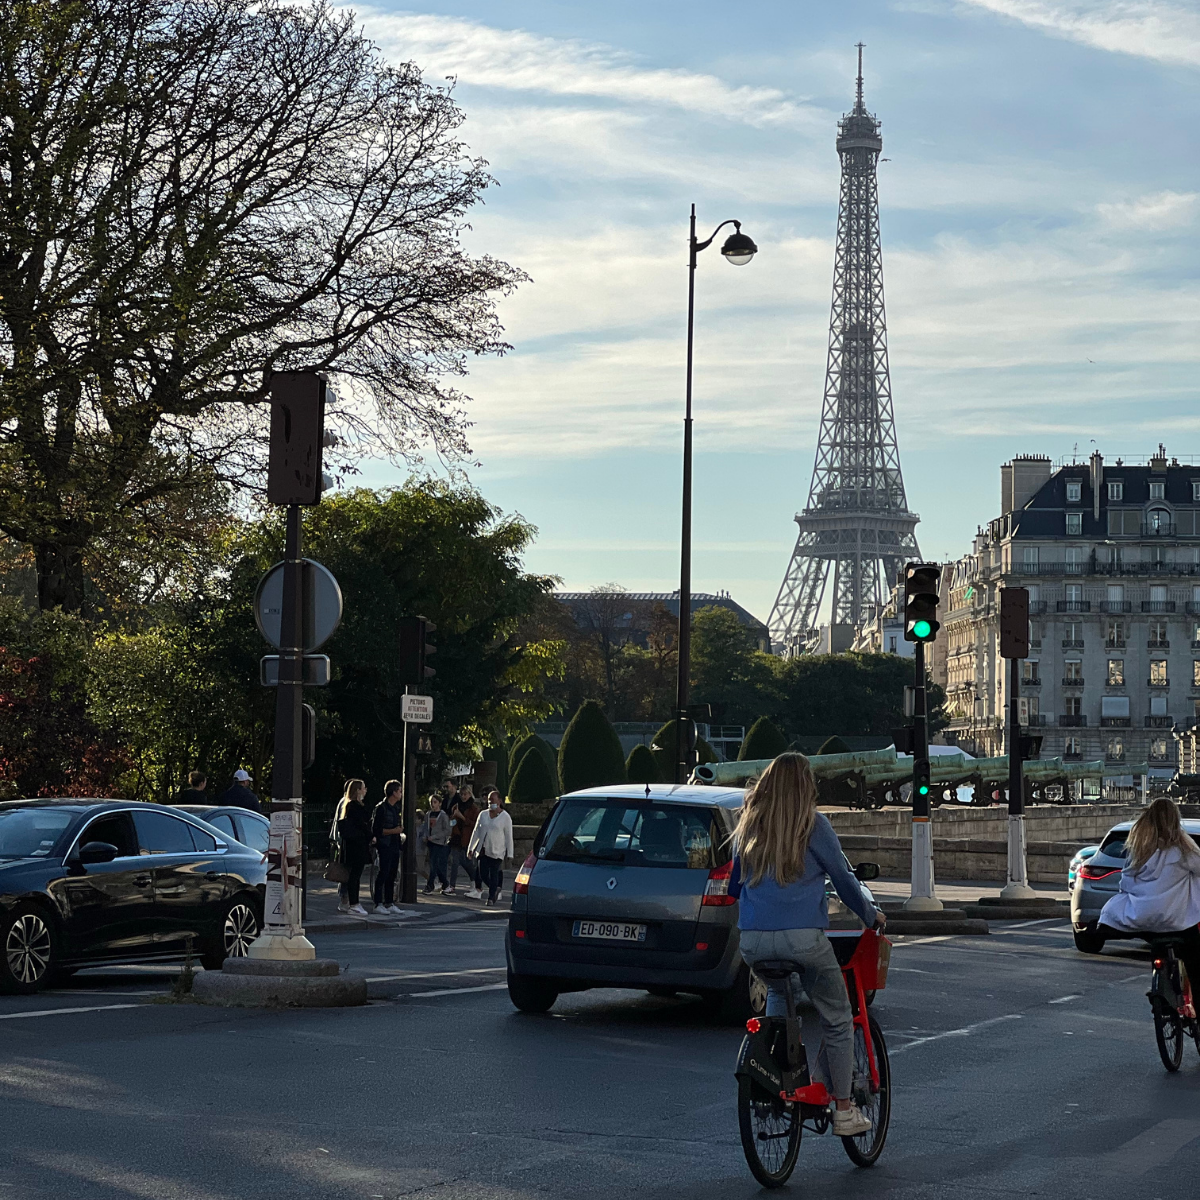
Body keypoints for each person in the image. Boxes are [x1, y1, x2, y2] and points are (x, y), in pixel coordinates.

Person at [726, 751, 886, 1139]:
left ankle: (785, 1081)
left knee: (780, 1003)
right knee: (837, 1016)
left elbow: (733, 888)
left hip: (753, 941)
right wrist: (871, 916)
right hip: (803, 939)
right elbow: (845, 881)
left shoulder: (748, 826)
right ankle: (845, 1110)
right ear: (805, 787)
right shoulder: (813, 826)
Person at [1094, 798, 1200, 989]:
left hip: (1143, 918)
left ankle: (1159, 993)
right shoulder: (1184, 851)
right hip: (1179, 922)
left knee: (1157, 948)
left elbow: (1125, 883)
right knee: (1196, 968)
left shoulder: (1139, 850)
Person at [468, 789, 513, 906]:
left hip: (497, 851)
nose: (489, 802)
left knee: (494, 874)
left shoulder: (505, 817)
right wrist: (471, 848)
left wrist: (510, 854)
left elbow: (509, 837)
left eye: (492, 799)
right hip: (483, 850)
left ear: (499, 801)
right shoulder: (483, 815)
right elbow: (476, 832)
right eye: (488, 800)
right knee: (483, 874)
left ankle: (491, 897)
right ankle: (495, 889)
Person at [335, 779, 373, 916]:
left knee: (354, 875)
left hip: (354, 845)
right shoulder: (354, 807)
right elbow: (362, 825)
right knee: (354, 876)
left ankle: (350, 902)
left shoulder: (350, 806)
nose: (365, 790)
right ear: (357, 790)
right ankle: (354, 903)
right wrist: (371, 836)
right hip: (357, 846)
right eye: (363, 788)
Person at [372, 779, 405, 913]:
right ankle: (378, 902)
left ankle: (389, 902)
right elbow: (377, 830)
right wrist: (394, 831)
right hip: (384, 845)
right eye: (400, 791)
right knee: (383, 873)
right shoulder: (381, 808)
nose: (401, 794)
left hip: (394, 844)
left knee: (392, 874)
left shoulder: (394, 808)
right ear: (394, 792)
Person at [446, 786, 481, 898]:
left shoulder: (474, 809)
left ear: (470, 794)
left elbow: (475, 825)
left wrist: (462, 817)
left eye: (465, 794)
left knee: (467, 862)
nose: (463, 797)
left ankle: (474, 880)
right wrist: (453, 819)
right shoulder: (456, 806)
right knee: (454, 862)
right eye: (461, 794)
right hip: (456, 837)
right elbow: (452, 822)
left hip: (467, 838)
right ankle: (452, 886)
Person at [422, 795, 452, 895]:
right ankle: (445, 884)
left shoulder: (443, 815)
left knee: (434, 864)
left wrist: (435, 836)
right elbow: (425, 827)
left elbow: (447, 830)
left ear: (439, 803)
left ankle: (430, 885)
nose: (433, 805)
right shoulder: (428, 814)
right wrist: (426, 836)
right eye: (431, 802)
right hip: (430, 842)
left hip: (439, 843)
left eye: (435, 802)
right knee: (435, 865)